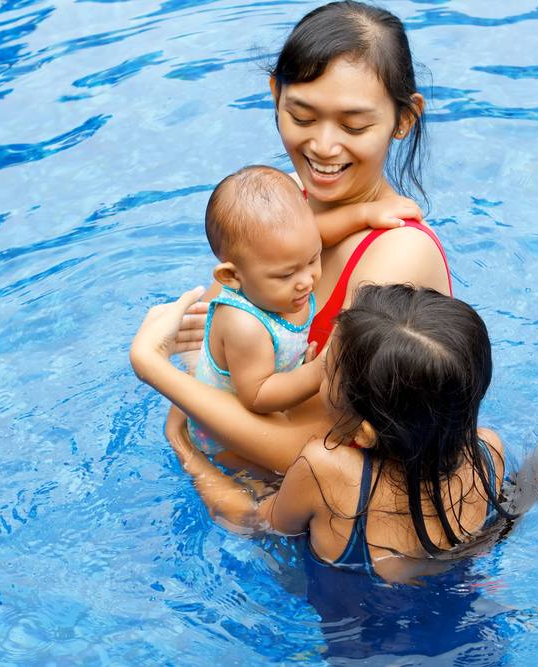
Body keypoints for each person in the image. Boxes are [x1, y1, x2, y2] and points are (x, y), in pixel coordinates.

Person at [165, 1, 452, 475]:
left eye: (354, 125)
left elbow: (320, 448)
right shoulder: (278, 211)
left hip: (338, 516)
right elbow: (214, 352)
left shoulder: (398, 254)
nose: (322, 146)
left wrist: (164, 383)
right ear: (275, 94)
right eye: (301, 117)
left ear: (404, 120)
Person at [131, 284, 512, 584]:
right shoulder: (488, 450)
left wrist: (184, 447)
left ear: (363, 434)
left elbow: (251, 522)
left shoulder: (325, 469)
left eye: (325, 369)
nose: (313, 371)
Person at [185, 166, 323, 464]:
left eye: (314, 258)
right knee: (272, 484)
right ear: (231, 276)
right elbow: (257, 396)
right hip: (223, 435)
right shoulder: (243, 324)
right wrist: (316, 372)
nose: (306, 280)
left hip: (265, 394)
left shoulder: (283, 280)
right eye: (285, 275)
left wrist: (363, 215)